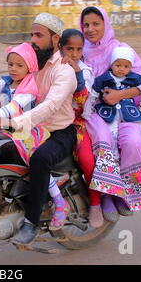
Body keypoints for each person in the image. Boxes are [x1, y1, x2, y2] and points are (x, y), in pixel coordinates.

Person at [0, 13, 77, 245]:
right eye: (31, 34)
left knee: (39, 159)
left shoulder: (64, 70)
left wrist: (16, 122)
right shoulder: (31, 66)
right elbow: (8, 91)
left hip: (59, 131)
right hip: (32, 128)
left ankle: (30, 222)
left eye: (38, 35)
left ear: (55, 39)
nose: (33, 39)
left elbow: (50, 106)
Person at [79, 6, 141, 220]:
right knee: (103, 139)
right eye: (86, 25)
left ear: (106, 24)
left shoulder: (121, 49)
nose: (90, 29)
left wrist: (119, 95)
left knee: (134, 141)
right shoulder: (81, 50)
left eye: (96, 24)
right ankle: (108, 195)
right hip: (96, 113)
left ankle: (126, 192)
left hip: (125, 111)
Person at [58, 28, 104, 228]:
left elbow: (81, 100)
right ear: (61, 48)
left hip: (76, 123)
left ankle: (95, 204)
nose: (74, 54)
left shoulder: (84, 71)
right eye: (70, 49)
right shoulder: (53, 66)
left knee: (87, 162)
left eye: (78, 49)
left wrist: (77, 74)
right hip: (50, 119)